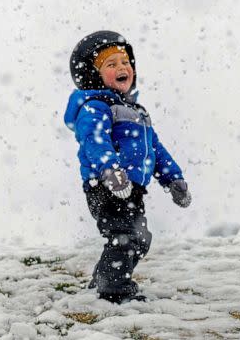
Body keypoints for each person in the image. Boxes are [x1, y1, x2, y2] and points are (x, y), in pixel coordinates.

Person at [64, 30, 192, 303]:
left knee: (139, 237)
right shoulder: (96, 107)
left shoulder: (137, 112)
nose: (122, 68)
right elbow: (94, 140)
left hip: (132, 188)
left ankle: (103, 281)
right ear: (92, 75)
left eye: (125, 63)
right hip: (106, 184)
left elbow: (155, 149)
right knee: (124, 236)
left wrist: (173, 179)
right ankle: (113, 290)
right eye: (111, 65)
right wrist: (110, 171)